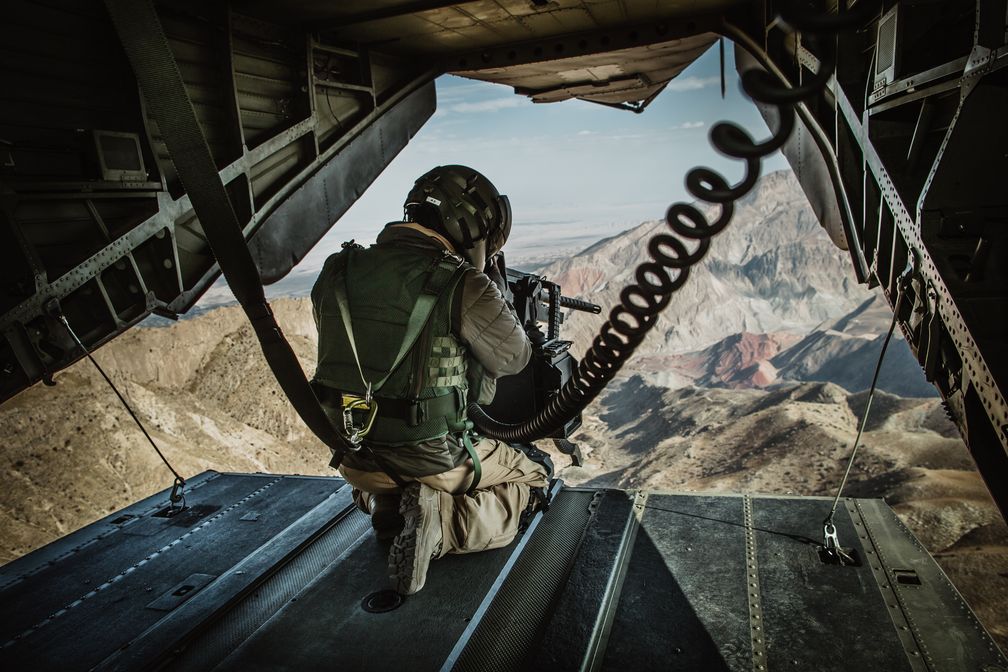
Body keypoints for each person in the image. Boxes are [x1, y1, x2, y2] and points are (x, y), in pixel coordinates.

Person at [310, 165, 552, 595]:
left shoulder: (337, 269)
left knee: (389, 480)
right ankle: (444, 529)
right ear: (473, 226)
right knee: (534, 474)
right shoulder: (464, 283)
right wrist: (491, 295)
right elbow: (515, 358)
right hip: (433, 456)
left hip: (356, 458)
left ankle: (387, 507)